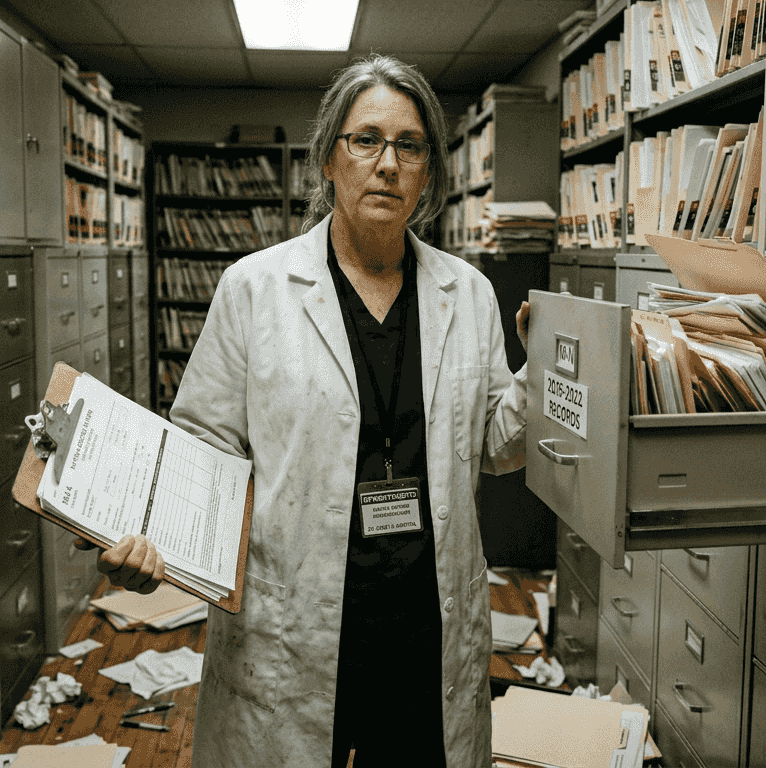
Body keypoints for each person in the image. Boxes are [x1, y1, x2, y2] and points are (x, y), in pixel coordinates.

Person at [84, 54, 531, 766]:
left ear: (428, 172)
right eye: (366, 140)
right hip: (294, 625)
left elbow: (497, 444)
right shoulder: (254, 289)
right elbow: (203, 449)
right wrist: (153, 547)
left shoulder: (468, 294)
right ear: (329, 158)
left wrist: (553, 369)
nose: (387, 163)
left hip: (425, 622)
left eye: (409, 145)